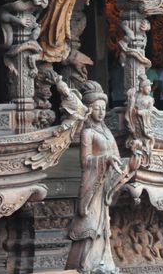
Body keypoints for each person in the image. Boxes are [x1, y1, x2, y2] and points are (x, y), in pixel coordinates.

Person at [66, 81, 123, 274]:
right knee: (91, 225)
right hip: (93, 185)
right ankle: (85, 264)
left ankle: (103, 262)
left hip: (105, 184)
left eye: (103, 108)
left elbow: (116, 156)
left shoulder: (106, 132)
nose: (101, 112)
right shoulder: (88, 133)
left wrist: (130, 162)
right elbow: (85, 161)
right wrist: (104, 159)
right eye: (97, 108)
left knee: (104, 226)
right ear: (89, 110)